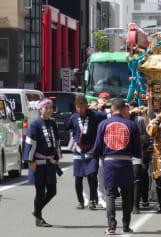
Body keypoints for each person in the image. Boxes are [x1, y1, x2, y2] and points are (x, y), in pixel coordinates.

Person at [93, 98, 142, 235]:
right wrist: (136, 155)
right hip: (126, 161)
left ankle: (111, 226)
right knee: (126, 194)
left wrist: (97, 156)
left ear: (112, 109)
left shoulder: (103, 124)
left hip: (109, 161)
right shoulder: (131, 125)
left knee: (110, 194)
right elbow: (137, 148)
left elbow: (97, 145)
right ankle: (126, 226)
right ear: (124, 109)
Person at [24, 98, 62, 227]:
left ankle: (36, 211)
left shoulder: (52, 123)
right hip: (38, 163)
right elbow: (30, 143)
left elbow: (56, 143)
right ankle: (39, 218)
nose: (49, 110)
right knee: (40, 191)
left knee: (52, 191)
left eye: (50, 108)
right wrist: (31, 161)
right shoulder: (35, 124)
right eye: (46, 108)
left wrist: (57, 159)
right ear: (40, 109)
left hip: (50, 162)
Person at [67, 96, 107, 210]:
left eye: (82, 106)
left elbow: (108, 115)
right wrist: (73, 137)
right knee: (78, 177)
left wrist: (102, 107)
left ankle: (92, 200)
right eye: (77, 107)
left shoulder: (95, 115)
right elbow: (68, 127)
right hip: (79, 150)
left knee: (92, 176)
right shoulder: (74, 117)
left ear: (86, 105)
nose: (79, 109)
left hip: (91, 149)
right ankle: (80, 201)